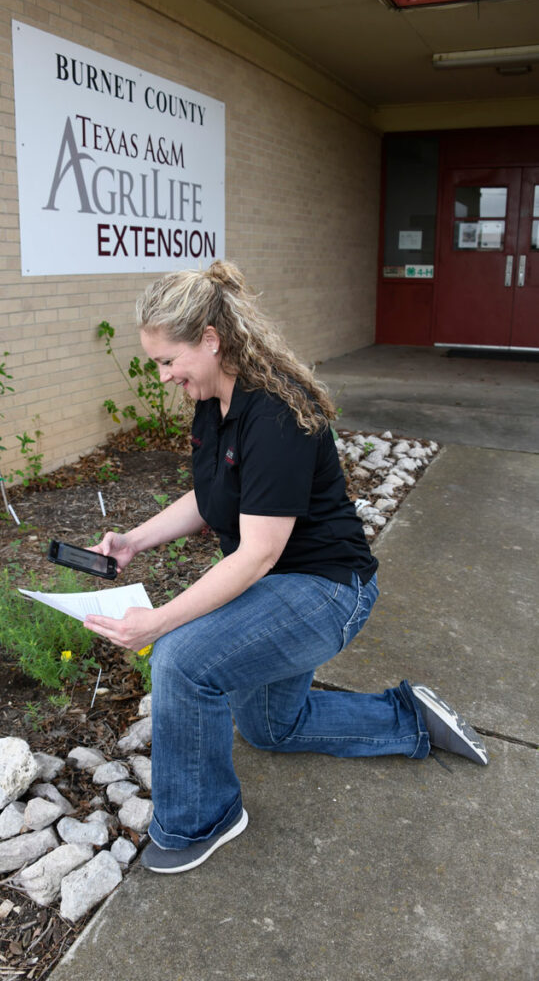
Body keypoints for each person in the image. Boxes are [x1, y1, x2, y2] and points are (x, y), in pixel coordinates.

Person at [85, 260, 488, 875]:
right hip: (277, 587)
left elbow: (259, 553)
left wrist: (162, 621)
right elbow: (211, 495)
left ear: (211, 340)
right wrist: (135, 541)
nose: (164, 375)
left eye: (169, 361)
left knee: (181, 661)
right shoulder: (213, 400)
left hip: (325, 590)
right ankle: (411, 718)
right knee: (272, 727)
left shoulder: (275, 412)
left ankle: (202, 818)